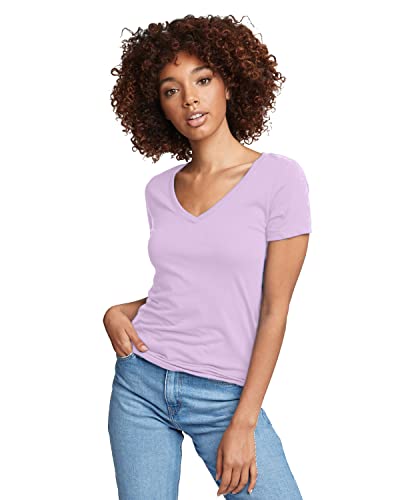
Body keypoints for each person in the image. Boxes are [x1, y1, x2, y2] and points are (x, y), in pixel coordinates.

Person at [103, 14, 312, 499]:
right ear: (159, 107)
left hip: (224, 397)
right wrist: (120, 311)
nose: (189, 99)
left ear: (230, 83)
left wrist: (243, 422)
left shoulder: (279, 179)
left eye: (202, 80)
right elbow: (186, 287)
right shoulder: (159, 190)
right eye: (171, 89)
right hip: (140, 385)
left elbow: (273, 308)